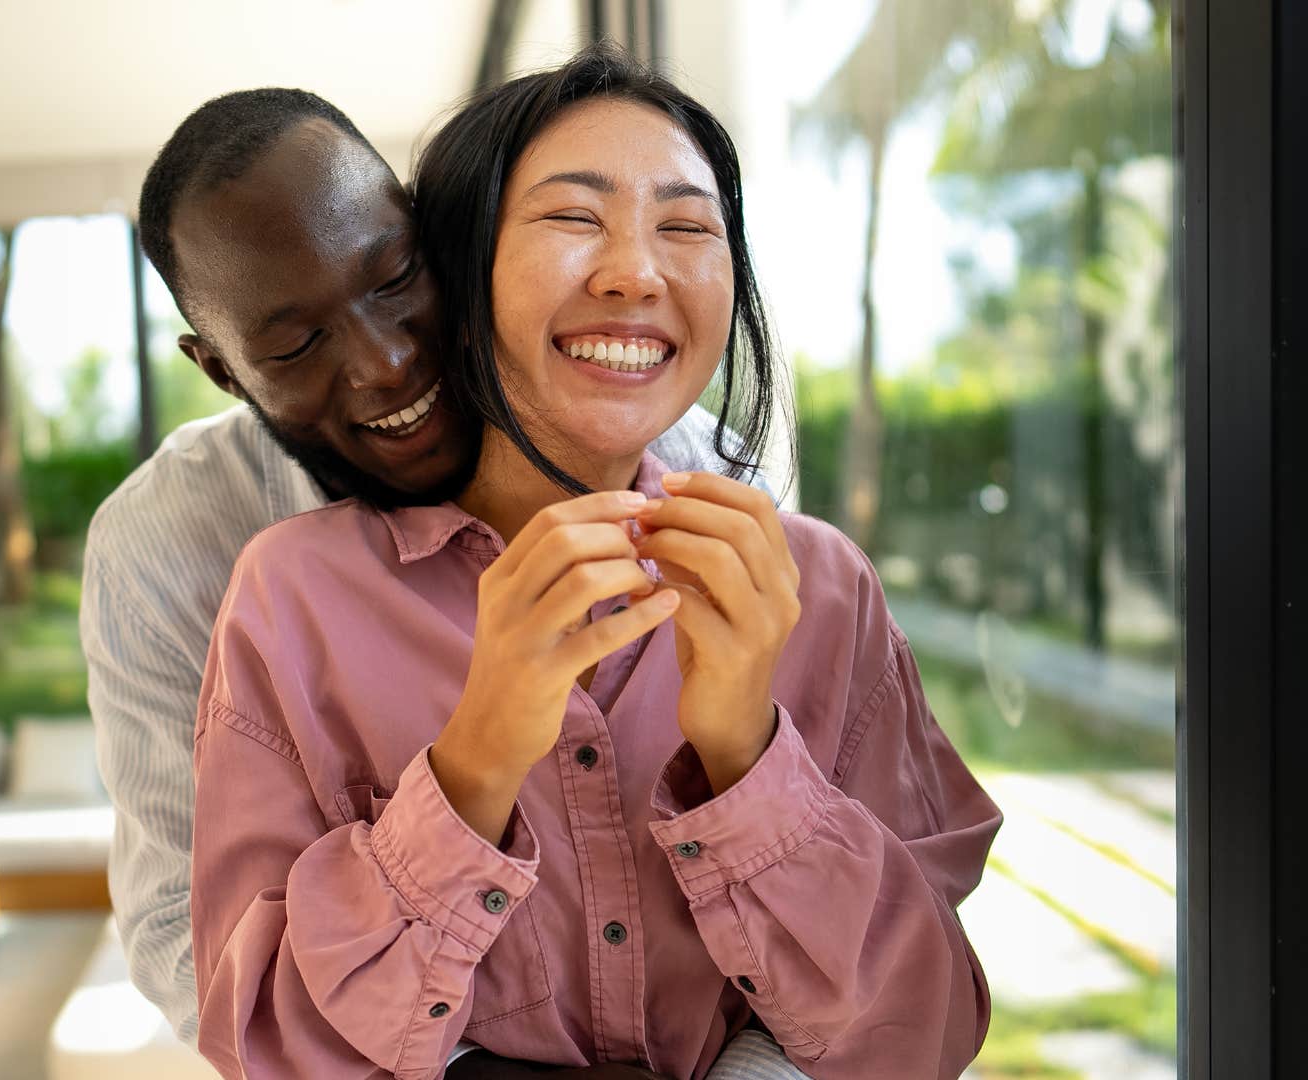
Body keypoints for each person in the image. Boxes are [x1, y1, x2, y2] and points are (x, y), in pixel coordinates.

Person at [188, 45, 1003, 1080]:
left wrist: (747, 751)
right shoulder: (292, 601)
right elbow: (264, 1041)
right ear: (457, 274)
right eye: (575, 218)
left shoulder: (825, 592)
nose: (637, 272)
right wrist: (475, 763)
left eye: (688, 227)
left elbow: (923, 1034)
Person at [83, 85, 793, 1077]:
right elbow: (184, 932)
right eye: (295, 345)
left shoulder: (682, 460)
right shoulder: (168, 548)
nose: (385, 362)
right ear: (223, 370)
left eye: (395, 279)